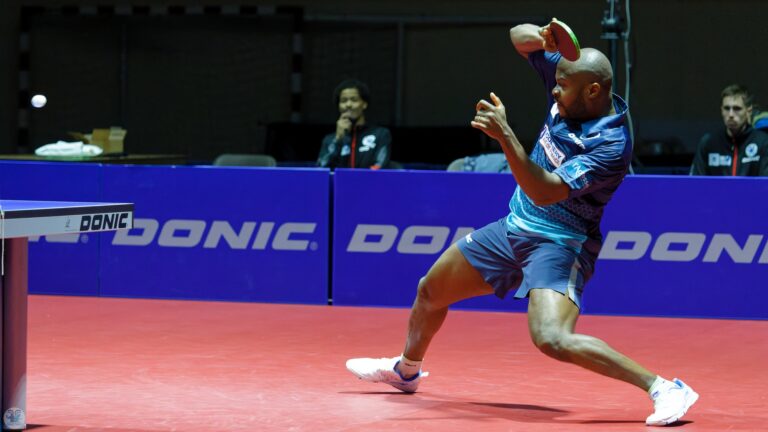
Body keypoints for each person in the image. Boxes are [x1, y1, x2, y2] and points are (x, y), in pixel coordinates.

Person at [345, 19, 699, 427]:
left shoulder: (610, 144)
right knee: (430, 291)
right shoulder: (570, 78)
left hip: (561, 244)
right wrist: (542, 37)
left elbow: (545, 191)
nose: (554, 90)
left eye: (562, 86)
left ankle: (663, 388)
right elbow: (518, 38)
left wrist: (505, 135)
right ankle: (406, 371)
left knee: (551, 338)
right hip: (515, 227)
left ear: (592, 91)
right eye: (555, 81)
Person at [690, 84, 768, 176]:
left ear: (749, 111)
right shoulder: (708, 143)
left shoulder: (763, 142)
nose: (731, 114)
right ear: (721, 110)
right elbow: (695, 182)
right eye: (727, 108)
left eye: (737, 109)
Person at [316, 79, 392, 169]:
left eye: (354, 100)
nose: (348, 104)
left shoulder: (381, 134)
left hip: (368, 179)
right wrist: (338, 140)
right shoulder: (330, 140)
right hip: (340, 179)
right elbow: (322, 169)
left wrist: (356, 177)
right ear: (339, 106)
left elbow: (380, 166)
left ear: (364, 104)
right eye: (343, 101)